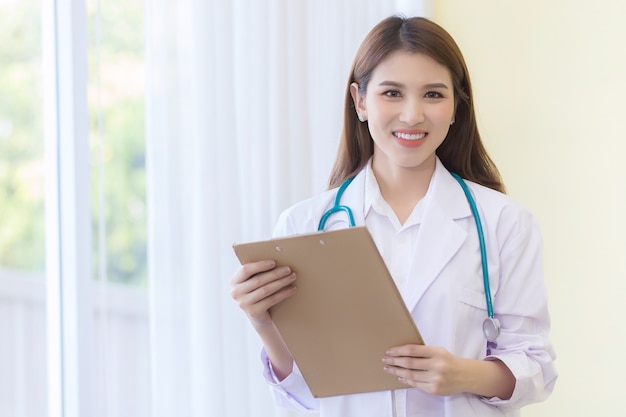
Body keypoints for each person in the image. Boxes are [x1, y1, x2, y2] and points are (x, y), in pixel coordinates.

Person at [230, 15, 557, 417]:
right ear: (360, 101)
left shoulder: (505, 223)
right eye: (392, 93)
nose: (412, 115)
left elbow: (535, 365)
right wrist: (263, 322)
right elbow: (301, 390)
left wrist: (464, 375)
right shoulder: (302, 226)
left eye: (433, 95)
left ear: (456, 106)